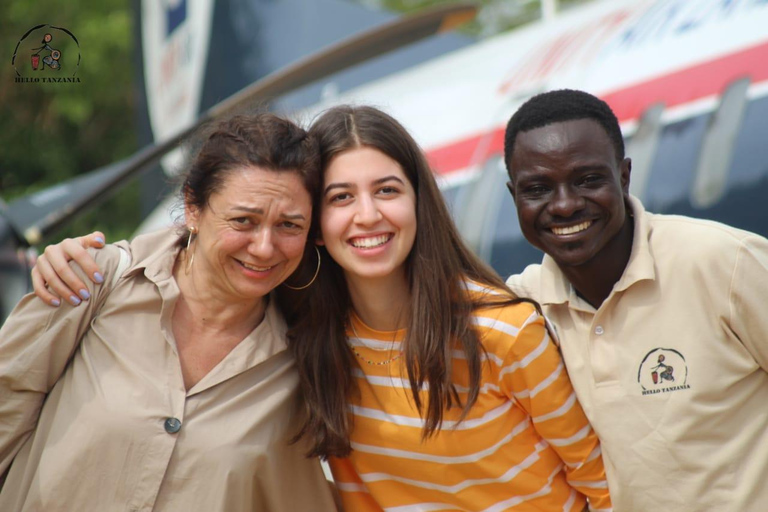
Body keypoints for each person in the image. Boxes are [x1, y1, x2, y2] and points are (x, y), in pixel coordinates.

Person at [32, 105, 613, 512]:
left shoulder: (502, 331)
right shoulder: (304, 341)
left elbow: (604, 485)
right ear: (315, 228)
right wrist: (93, 259)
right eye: (340, 198)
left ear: (419, 200)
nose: (367, 216)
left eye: (387, 190)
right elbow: (207, 260)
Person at [0, 113, 338, 511]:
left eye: (289, 225)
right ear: (193, 207)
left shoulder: (306, 359)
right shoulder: (89, 281)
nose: (265, 247)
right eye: (243, 220)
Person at [503, 89, 768, 511]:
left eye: (588, 180)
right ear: (513, 195)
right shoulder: (519, 312)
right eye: (537, 188)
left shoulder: (724, 262)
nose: (566, 205)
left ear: (624, 176)